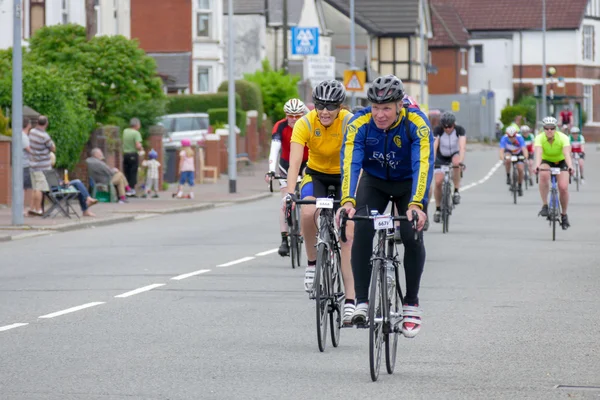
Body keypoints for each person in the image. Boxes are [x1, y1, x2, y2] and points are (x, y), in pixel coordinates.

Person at [339, 74, 433, 338]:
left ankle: (411, 302)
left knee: (411, 235)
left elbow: (422, 164)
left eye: (387, 109)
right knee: (360, 226)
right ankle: (361, 300)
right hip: (375, 182)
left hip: (408, 185)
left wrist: (416, 203)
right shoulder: (359, 123)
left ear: (399, 106)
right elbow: (350, 162)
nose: (380, 114)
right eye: (376, 108)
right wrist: (347, 200)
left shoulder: (416, 123)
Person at [283, 79, 356, 325]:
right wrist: (290, 192)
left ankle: (350, 301)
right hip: (316, 175)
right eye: (321, 105)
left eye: (331, 106)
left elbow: (359, 155)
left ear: (340, 106)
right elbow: (294, 163)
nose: (325, 111)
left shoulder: (348, 120)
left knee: (347, 237)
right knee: (307, 213)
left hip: (343, 176)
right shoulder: (304, 122)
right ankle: (313, 263)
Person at [265, 98, 309, 256]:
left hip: (305, 163)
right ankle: (284, 239)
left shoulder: (307, 124)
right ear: (286, 115)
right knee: (285, 200)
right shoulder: (280, 126)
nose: (294, 119)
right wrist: (271, 170)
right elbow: (274, 149)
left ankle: (303, 232)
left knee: (306, 199)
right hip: (286, 164)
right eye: (291, 116)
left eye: (298, 116)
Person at [534, 116, 573, 230]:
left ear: (556, 128)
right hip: (546, 161)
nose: (549, 131)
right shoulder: (539, 138)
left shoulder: (563, 138)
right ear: (543, 128)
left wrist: (570, 166)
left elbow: (566, 154)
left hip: (561, 161)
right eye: (547, 128)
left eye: (552, 128)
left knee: (563, 187)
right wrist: (537, 165)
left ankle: (564, 215)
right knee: (544, 175)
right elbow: (538, 153)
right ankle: (545, 205)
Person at [430, 111, 466, 224]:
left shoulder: (460, 130)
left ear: (454, 125)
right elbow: (434, 146)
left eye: (450, 126)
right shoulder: (438, 130)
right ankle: (438, 209)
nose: (447, 129)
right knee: (438, 182)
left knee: (456, 163)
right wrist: (432, 161)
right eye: (445, 127)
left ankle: (456, 190)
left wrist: (461, 161)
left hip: (454, 154)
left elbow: (462, 147)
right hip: (441, 156)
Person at [49, 153, 98, 217]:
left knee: (79, 189)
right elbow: (54, 184)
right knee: (77, 182)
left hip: (59, 188)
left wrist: (63, 182)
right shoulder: (49, 170)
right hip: (57, 190)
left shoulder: (50, 170)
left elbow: (56, 182)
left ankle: (86, 209)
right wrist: (62, 183)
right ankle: (87, 201)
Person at [28, 115, 56, 216]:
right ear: (46, 123)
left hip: (32, 164)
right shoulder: (45, 136)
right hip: (42, 166)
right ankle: (39, 209)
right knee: (40, 188)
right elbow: (52, 148)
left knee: (35, 188)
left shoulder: (31, 132)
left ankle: (33, 208)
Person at [499, 125, 529, 196]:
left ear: (516, 135)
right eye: (510, 136)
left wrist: (525, 157)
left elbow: (524, 149)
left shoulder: (520, 138)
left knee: (520, 169)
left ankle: (519, 186)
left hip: (518, 153)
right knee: (508, 160)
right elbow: (501, 151)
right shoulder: (504, 138)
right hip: (509, 152)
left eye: (513, 136)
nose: (512, 138)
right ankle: (508, 176)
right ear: (507, 135)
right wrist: (502, 158)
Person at [122, 118, 143, 196]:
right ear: (137, 125)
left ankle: (126, 188)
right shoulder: (136, 133)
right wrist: (141, 148)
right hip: (133, 154)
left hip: (125, 154)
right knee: (133, 172)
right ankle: (132, 189)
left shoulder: (125, 131)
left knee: (126, 172)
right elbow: (137, 145)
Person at [21, 117, 34, 215]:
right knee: (25, 188)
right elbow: (30, 150)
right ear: (28, 125)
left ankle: (26, 209)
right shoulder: (23, 136)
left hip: (25, 164)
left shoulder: (24, 135)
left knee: (25, 188)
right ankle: (24, 209)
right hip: (24, 165)